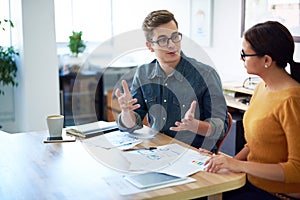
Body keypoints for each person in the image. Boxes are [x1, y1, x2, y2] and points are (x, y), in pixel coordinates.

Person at [202, 21, 300, 199]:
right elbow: (255, 145)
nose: (241, 59)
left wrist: (238, 165)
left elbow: (296, 170)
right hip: (251, 182)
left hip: (277, 194)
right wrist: (225, 162)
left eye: (244, 54)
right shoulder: (262, 87)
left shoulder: (292, 100)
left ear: (267, 60)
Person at [114, 10, 228, 152]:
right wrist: (126, 112)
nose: (172, 45)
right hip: (156, 151)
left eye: (175, 37)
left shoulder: (206, 74)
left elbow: (221, 127)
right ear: (150, 46)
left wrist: (195, 125)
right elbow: (131, 126)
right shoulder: (143, 73)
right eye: (162, 40)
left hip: (193, 154)